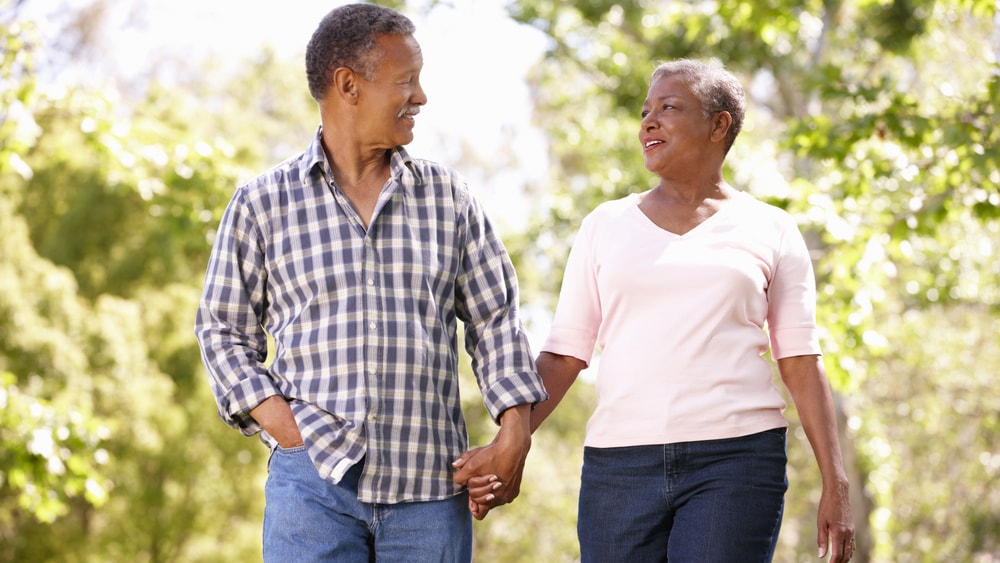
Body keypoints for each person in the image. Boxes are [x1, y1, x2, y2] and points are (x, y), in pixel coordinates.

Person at [193, 4, 547, 561]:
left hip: (431, 493)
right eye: (407, 81)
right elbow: (220, 330)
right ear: (348, 85)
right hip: (313, 488)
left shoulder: (447, 198)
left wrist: (514, 428)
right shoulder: (262, 204)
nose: (422, 97)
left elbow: (495, 319)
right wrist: (282, 424)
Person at [526, 58, 856, 562]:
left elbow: (800, 359)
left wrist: (837, 483)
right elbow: (566, 353)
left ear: (719, 124)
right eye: (645, 111)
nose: (648, 122)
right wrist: (512, 438)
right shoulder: (604, 224)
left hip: (737, 459)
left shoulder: (771, 228)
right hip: (619, 465)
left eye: (669, 107)